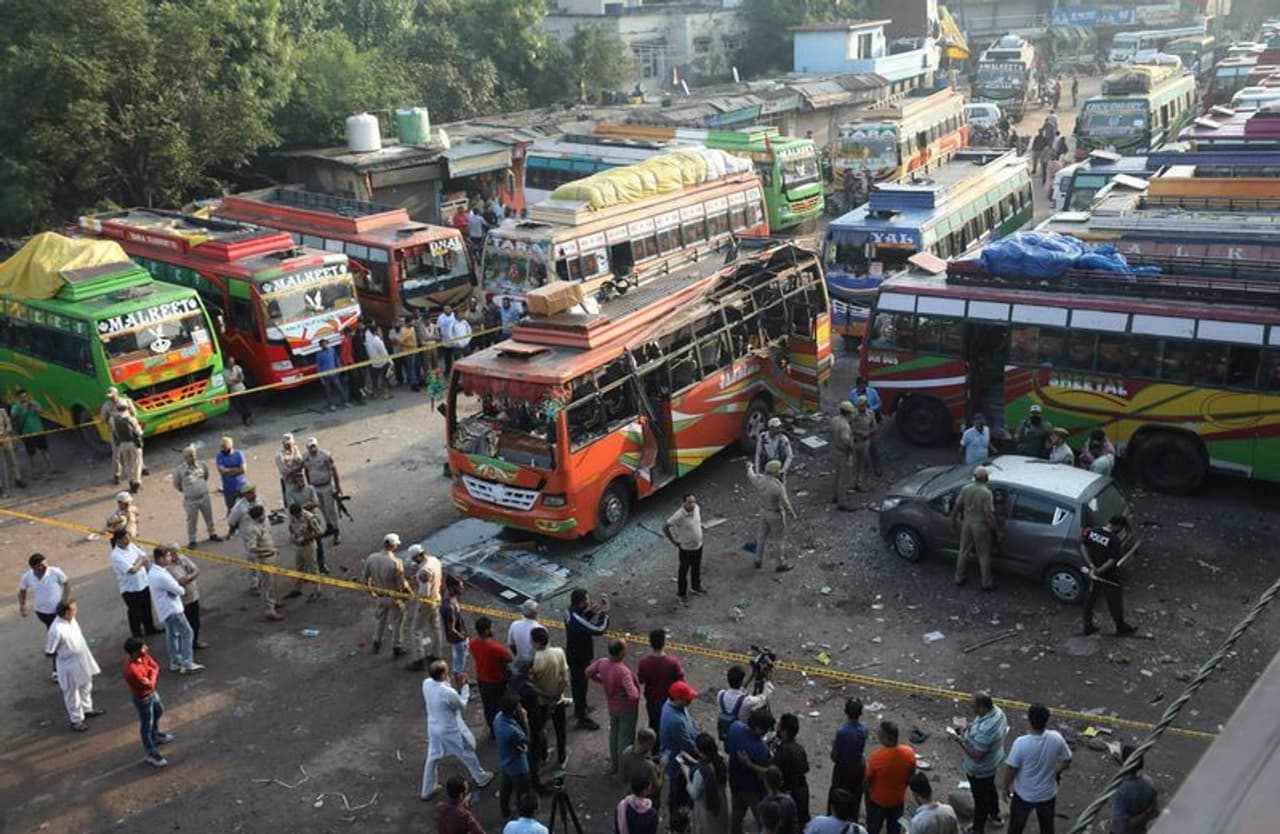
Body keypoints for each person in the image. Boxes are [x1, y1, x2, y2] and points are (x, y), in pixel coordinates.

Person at [421, 660, 494, 800]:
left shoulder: (427, 684)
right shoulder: (447, 692)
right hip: (449, 728)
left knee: (433, 756)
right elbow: (461, 705)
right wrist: (465, 688)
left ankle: (427, 788)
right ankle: (480, 777)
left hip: (433, 726)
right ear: (443, 674)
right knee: (465, 751)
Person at [1001, 704, 1071, 834]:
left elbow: (1011, 768)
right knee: (1047, 826)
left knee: (1016, 826)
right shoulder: (1056, 738)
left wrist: (1005, 788)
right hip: (1047, 794)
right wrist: (1056, 772)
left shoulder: (1021, 743)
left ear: (1029, 720)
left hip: (1024, 795)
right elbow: (1067, 759)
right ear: (1047, 720)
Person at [951, 692, 1008, 834]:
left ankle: (977, 829)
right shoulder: (998, 712)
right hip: (992, 763)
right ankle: (995, 815)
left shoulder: (986, 730)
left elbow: (977, 755)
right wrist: (970, 727)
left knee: (980, 800)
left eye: (974, 706)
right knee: (990, 787)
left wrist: (960, 741)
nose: (972, 709)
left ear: (983, 707)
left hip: (980, 769)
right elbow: (980, 726)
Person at [45, 599, 103, 731]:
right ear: (66, 613)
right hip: (68, 664)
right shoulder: (56, 630)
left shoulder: (72, 620)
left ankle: (87, 709)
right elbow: (49, 652)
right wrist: (65, 655)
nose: (76, 610)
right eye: (73, 609)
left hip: (82, 659)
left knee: (86, 685)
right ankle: (76, 720)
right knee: (72, 692)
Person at [588, 638, 641, 775]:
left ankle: (614, 765)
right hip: (626, 709)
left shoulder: (602, 663)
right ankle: (624, 770)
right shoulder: (623, 671)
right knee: (625, 738)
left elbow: (588, 672)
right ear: (620, 653)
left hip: (612, 705)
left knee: (614, 735)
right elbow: (634, 695)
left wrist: (602, 681)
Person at [147, 547, 202, 674]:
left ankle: (176, 660)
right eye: (168, 556)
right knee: (187, 633)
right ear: (161, 558)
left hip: (164, 610)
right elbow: (180, 590)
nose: (171, 558)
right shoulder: (162, 575)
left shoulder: (154, 572)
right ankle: (187, 664)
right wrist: (179, 586)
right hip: (173, 610)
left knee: (172, 634)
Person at [1081, 515, 1137, 637]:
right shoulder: (1114, 540)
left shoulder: (1092, 532)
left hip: (1093, 573)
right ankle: (1120, 626)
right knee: (1114, 602)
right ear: (1118, 526)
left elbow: (1083, 546)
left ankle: (1087, 625)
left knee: (1090, 600)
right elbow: (1111, 561)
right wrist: (1100, 570)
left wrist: (1091, 565)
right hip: (1109, 576)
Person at [18, 552, 70, 680]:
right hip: (42, 613)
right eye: (40, 566)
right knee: (58, 636)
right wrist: (22, 606)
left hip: (58, 611)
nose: (43, 567)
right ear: (33, 567)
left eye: (44, 564)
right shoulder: (28, 577)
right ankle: (59, 666)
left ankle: (57, 669)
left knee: (57, 636)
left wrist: (64, 600)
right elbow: (22, 591)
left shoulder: (55, 572)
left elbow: (67, 584)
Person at [123, 637, 173, 767]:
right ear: (134, 652)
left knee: (159, 710)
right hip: (143, 698)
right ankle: (151, 753)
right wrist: (152, 673)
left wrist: (151, 673)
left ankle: (155, 736)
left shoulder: (143, 656)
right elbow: (149, 685)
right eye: (143, 648)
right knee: (147, 725)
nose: (146, 649)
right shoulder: (131, 670)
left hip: (151, 694)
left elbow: (155, 666)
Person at [565, 587, 610, 730]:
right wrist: (604, 613)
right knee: (580, 685)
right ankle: (582, 717)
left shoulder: (570, 612)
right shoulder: (576, 619)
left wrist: (591, 612)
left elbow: (582, 622)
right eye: (587, 599)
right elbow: (598, 629)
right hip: (579, 656)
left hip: (574, 652)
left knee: (579, 683)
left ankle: (581, 707)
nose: (589, 601)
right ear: (581, 602)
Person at [362, 533, 412, 657]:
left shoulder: (371, 558)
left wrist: (371, 592)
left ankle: (377, 643)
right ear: (393, 546)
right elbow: (402, 584)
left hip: (380, 596)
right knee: (398, 620)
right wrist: (408, 594)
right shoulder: (396, 562)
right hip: (394, 597)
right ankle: (397, 646)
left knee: (380, 621)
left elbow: (364, 579)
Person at [950, 466, 998, 591]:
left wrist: (953, 519)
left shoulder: (966, 488)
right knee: (983, 555)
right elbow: (988, 514)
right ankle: (987, 583)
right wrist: (996, 530)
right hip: (980, 525)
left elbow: (957, 505)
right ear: (985, 478)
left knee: (963, 551)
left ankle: (959, 578)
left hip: (967, 522)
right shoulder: (986, 493)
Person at [529, 626, 571, 769]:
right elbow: (565, 680)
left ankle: (544, 755)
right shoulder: (558, 652)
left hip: (541, 702)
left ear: (537, 643)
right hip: (557, 700)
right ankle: (561, 758)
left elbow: (532, 685)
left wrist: (546, 696)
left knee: (541, 728)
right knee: (560, 731)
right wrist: (556, 697)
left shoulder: (534, 659)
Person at [727, 711, 775, 834]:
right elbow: (766, 772)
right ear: (759, 728)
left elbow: (728, 748)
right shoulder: (760, 749)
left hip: (735, 782)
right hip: (753, 789)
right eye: (765, 729)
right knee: (761, 820)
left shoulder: (735, 727)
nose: (766, 732)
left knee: (736, 816)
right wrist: (750, 764)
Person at [746, 460, 798, 573]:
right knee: (778, 540)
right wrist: (793, 515)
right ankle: (780, 564)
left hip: (764, 511)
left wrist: (750, 466)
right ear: (775, 472)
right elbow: (786, 504)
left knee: (761, 537)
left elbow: (751, 475)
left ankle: (757, 560)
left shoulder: (760, 480)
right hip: (775, 514)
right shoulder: (777, 487)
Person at [864, 721, 916, 834]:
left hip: (877, 801)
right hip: (898, 800)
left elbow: (867, 780)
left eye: (880, 735)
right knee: (894, 829)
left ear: (888, 738)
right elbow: (911, 775)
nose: (878, 737)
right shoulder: (909, 753)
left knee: (873, 828)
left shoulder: (877, 757)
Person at [660, 681, 702, 813]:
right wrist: (703, 752)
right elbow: (687, 744)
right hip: (678, 759)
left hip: (681, 753)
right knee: (678, 790)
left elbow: (690, 721)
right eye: (687, 699)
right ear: (678, 699)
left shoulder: (674, 705)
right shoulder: (675, 720)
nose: (690, 701)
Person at [110, 529, 159, 638]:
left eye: (128, 538)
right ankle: (137, 635)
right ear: (118, 540)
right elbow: (132, 570)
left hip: (143, 583)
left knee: (146, 608)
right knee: (135, 613)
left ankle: (149, 628)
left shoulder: (131, 546)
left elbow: (145, 558)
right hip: (130, 589)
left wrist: (140, 563)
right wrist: (140, 562)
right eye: (125, 539)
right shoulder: (116, 555)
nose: (127, 541)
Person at [470, 616, 514, 733]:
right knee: (499, 706)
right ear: (486, 631)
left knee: (488, 706)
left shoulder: (473, 643)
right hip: (496, 681)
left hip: (482, 679)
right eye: (491, 628)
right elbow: (509, 658)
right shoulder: (496, 648)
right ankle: (501, 729)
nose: (493, 630)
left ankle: (492, 728)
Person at [172, 445, 221, 548]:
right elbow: (177, 484)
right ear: (185, 458)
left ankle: (212, 533)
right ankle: (192, 540)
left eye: (193, 455)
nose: (192, 458)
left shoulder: (202, 465)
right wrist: (188, 491)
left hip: (204, 496)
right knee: (191, 521)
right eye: (189, 456)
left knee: (209, 516)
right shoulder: (180, 470)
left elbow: (206, 476)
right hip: (191, 500)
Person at [638, 628, 686, 732]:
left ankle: (655, 746)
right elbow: (681, 681)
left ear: (650, 643)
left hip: (652, 701)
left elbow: (641, 680)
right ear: (664, 643)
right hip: (669, 702)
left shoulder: (644, 663)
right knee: (669, 728)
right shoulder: (672, 662)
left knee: (654, 725)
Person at [829, 699, 869, 822]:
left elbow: (834, 756)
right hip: (857, 768)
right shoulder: (864, 730)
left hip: (842, 769)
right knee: (855, 798)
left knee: (836, 795)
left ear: (846, 712)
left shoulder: (842, 732)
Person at [162, 542, 207, 650]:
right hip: (182, 601)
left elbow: (196, 570)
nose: (175, 555)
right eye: (172, 554)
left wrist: (189, 577)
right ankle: (184, 647)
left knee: (195, 622)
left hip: (193, 596)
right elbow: (182, 581)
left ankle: (194, 642)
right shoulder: (168, 568)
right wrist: (190, 576)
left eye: (176, 552)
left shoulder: (183, 559)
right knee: (184, 626)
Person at [495, 693, 533, 820]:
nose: (521, 708)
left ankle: (506, 813)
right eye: (518, 706)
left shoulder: (498, 718)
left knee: (506, 789)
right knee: (523, 793)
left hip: (506, 761)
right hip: (518, 765)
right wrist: (525, 720)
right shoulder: (512, 731)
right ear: (513, 710)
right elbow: (527, 739)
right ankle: (522, 817)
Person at [406, 544, 444, 670]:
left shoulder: (423, 571)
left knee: (416, 629)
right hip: (437, 597)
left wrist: (417, 597)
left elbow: (424, 592)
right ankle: (437, 654)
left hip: (426, 602)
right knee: (435, 627)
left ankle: (419, 659)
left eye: (414, 559)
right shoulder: (434, 560)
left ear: (417, 557)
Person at [664, 493, 707, 604]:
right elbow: (665, 527)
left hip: (698, 546)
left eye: (693, 501)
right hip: (686, 549)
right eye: (689, 502)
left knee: (696, 568)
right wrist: (673, 541)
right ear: (684, 503)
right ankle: (681, 594)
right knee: (683, 571)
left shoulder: (697, 508)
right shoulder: (678, 516)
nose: (692, 504)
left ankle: (696, 587)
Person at [682, 732, 728, 834]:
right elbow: (707, 763)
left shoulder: (701, 773)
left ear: (700, 751)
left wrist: (686, 774)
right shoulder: (721, 760)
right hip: (720, 802)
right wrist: (693, 761)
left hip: (707, 807)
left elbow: (694, 793)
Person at [246, 505, 285, 621]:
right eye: (262, 514)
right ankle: (270, 610)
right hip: (265, 560)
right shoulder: (253, 529)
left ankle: (273, 603)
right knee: (267, 585)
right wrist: (269, 550)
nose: (264, 516)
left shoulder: (263, 524)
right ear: (257, 517)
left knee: (272, 583)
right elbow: (252, 548)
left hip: (271, 558)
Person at [717, 664, 773, 742]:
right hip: (742, 738)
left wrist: (751, 675)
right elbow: (764, 698)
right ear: (741, 680)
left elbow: (738, 692)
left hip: (728, 736)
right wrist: (768, 681)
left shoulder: (720, 695)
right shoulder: (747, 701)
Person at [1110, 746, 1159, 834]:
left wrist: (1144, 814)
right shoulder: (1149, 782)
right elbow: (1154, 812)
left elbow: (1121, 823)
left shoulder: (1122, 789)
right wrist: (1146, 813)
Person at [226, 483, 265, 593]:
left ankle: (264, 580)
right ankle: (254, 584)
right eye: (249, 493)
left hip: (262, 533)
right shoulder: (239, 507)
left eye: (253, 491)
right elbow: (231, 521)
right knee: (252, 560)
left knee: (264, 557)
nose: (252, 494)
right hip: (248, 537)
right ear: (244, 495)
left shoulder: (260, 500)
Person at [774, 714, 812, 827]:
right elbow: (805, 769)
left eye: (779, 726)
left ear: (784, 731)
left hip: (788, 792)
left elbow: (773, 772)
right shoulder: (799, 749)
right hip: (801, 792)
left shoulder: (782, 750)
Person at [285, 501, 326, 602]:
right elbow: (291, 528)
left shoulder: (309, 517)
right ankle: (297, 588)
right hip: (299, 545)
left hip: (309, 545)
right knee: (299, 567)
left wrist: (306, 538)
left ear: (301, 511)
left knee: (313, 567)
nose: (296, 516)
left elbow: (320, 532)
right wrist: (294, 539)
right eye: (294, 515)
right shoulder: (293, 517)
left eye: (298, 514)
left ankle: (317, 590)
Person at [11, 389, 55, 479]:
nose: (24, 398)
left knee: (44, 450)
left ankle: (51, 468)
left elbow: (41, 411)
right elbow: (13, 416)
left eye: (25, 396)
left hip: (38, 430)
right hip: (27, 434)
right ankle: (36, 472)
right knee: (32, 454)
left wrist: (34, 406)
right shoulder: (16, 407)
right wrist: (20, 408)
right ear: (18, 398)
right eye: (22, 397)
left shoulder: (33, 404)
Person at [99, 387, 137, 485]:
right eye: (109, 397)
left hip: (128, 431)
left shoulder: (126, 401)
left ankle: (140, 469)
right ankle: (117, 474)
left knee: (135, 451)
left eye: (112, 396)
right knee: (116, 454)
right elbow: (103, 418)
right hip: (115, 433)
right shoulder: (106, 406)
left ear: (117, 394)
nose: (111, 398)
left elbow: (134, 414)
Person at [110, 401, 145, 493]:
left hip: (122, 444)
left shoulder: (114, 419)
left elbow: (114, 432)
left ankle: (130, 480)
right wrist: (142, 430)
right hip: (133, 443)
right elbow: (138, 432)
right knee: (137, 462)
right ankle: (137, 481)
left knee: (127, 462)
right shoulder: (131, 419)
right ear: (127, 408)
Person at [442, 574, 469, 688]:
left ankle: (463, 681)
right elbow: (451, 629)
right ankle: (460, 688)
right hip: (458, 640)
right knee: (459, 665)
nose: (462, 588)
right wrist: (463, 637)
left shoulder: (451, 597)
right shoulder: (449, 606)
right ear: (453, 587)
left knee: (460, 661)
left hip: (460, 636)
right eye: (460, 586)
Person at [621, 728, 663, 794]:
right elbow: (658, 785)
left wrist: (651, 758)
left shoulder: (626, 750)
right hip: (644, 794)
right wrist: (662, 768)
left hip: (630, 790)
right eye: (652, 744)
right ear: (647, 744)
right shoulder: (648, 766)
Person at [831, 402, 856, 511]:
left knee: (837, 475)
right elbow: (846, 440)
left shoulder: (834, 420)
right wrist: (851, 449)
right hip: (843, 452)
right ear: (848, 413)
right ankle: (843, 503)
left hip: (835, 450)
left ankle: (836, 496)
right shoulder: (845, 425)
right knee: (843, 478)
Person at [848, 397, 876, 491]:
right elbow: (847, 427)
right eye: (861, 405)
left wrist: (869, 433)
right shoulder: (853, 415)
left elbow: (874, 427)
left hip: (865, 442)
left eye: (864, 404)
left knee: (862, 464)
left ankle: (859, 483)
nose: (862, 407)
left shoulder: (870, 414)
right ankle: (851, 484)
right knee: (853, 464)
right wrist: (857, 432)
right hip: (854, 442)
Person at [0, 403, 28, 494]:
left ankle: (18, 479)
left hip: (6, 438)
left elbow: (8, 424)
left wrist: (7, 430)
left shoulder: (2, 411)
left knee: (12, 460)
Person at [313, 338, 347, 411]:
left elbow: (336, 359)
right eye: (323, 344)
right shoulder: (319, 355)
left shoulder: (332, 350)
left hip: (334, 374)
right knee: (328, 391)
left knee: (340, 388)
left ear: (327, 343)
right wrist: (321, 378)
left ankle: (344, 402)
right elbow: (318, 366)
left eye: (325, 343)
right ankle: (332, 404)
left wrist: (339, 367)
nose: (324, 345)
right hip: (325, 376)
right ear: (320, 346)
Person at [215, 436, 247, 513]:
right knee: (231, 509)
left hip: (241, 487)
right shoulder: (219, 456)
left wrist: (228, 472)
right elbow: (222, 471)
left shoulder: (239, 454)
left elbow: (243, 470)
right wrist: (236, 469)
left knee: (246, 507)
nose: (223, 450)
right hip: (229, 489)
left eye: (225, 448)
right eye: (222, 448)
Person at [273, 433, 304, 510]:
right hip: (289, 482)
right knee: (292, 506)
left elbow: (301, 462)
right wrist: (297, 468)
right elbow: (286, 472)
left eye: (290, 443)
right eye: (287, 444)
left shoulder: (295, 450)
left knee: (304, 504)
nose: (289, 446)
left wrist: (298, 467)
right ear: (283, 444)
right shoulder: (279, 455)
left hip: (300, 481)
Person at [507, 599, 542, 663]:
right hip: (535, 662)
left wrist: (519, 656)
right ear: (534, 613)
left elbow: (511, 645)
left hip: (520, 660)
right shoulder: (540, 629)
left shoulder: (514, 624)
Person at [365, 325, 393, 399]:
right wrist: (390, 361)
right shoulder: (378, 341)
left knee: (375, 379)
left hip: (374, 363)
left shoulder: (368, 340)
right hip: (382, 362)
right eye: (379, 330)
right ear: (375, 332)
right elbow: (384, 352)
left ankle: (374, 393)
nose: (380, 331)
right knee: (385, 378)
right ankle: (386, 394)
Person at [224, 355, 253, 425]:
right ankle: (247, 415)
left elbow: (242, 378)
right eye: (230, 362)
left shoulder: (237, 368)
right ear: (227, 363)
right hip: (233, 392)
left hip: (242, 389)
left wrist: (234, 380)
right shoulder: (224, 371)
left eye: (233, 361)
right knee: (238, 406)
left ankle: (246, 418)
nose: (232, 363)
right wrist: (237, 380)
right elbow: (227, 383)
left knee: (244, 404)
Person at [438, 304, 459, 376]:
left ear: (451, 309)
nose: (447, 310)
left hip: (455, 342)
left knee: (457, 358)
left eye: (448, 308)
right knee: (447, 359)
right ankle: (448, 371)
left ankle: (457, 371)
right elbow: (439, 328)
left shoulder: (454, 316)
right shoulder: (440, 317)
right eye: (445, 309)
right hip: (445, 342)